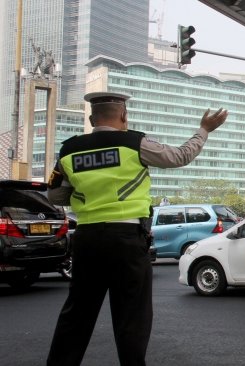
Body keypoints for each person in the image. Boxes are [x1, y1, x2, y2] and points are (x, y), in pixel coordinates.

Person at [46, 91, 228, 366]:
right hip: (127, 241)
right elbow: (180, 156)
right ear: (123, 116)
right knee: (131, 316)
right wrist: (204, 130)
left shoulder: (70, 150)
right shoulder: (134, 144)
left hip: (87, 240)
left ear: (92, 118)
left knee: (77, 314)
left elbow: (55, 197)